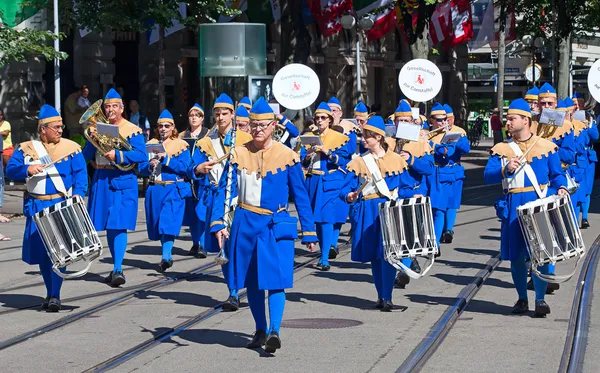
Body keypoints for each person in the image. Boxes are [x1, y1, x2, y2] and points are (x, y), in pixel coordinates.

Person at [211, 98, 317, 352]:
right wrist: (219, 223)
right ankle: (260, 329)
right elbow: (224, 191)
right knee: (253, 280)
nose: (258, 129)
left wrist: (309, 231)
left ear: (273, 126)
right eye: (254, 125)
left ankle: (275, 331)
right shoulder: (237, 153)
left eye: (263, 125)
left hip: (275, 223)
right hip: (245, 222)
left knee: (276, 280)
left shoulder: (288, 156)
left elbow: (301, 197)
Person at [483, 98, 568, 317]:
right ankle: (522, 298)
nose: (507, 123)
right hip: (513, 206)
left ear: (526, 120)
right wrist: (505, 170)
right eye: (507, 119)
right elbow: (487, 175)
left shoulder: (546, 146)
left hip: (539, 204)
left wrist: (562, 188)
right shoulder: (501, 149)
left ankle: (540, 300)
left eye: (512, 119)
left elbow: (558, 175)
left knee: (540, 253)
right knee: (518, 257)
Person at [6, 104, 88, 311]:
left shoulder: (71, 148)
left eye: (61, 127)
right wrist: (28, 168)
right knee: (44, 252)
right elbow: (11, 170)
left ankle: (55, 295)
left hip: (60, 203)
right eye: (56, 127)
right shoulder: (26, 148)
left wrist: (78, 193)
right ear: (43, 129)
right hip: (36, 204)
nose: (61, 130)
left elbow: (81, 175)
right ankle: (50, 291)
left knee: (59, 251)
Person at [340, 116, 413, 311]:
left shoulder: (396, 160)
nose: (363, 139)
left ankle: (387, 296)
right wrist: (348, 195)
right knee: (375, 254)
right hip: (368, 210)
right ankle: (381, 296)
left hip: (389, 209)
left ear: (379, 137)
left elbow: (406, 186)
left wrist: (410, 195)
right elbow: (345, 188)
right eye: (363, 135)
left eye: (367, 136)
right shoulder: (359, 162)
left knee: (388, 254)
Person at [188, 93, 252, 311]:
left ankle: (249, 285)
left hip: (242, 198)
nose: (220, 117)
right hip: (216, 198)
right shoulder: (205, 142)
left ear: (233, 114)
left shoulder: (245, 140)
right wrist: (198, 169)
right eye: (217, 114)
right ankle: (233, 292)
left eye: (224, 113)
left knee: (241, 246)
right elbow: (192, 167)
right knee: (222, 245)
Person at [83, 88, 147, 287]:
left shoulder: (132, 129)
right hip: (102, 177)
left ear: (121, 108)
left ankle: (118, 268)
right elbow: (85, 155)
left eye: (114, 107)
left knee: (118, 223)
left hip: (123, 179)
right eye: (107, 106)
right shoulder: (99, 127)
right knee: (109, 225)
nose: (110, 110)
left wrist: (118, 155)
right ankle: (115, 267)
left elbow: (141, 156)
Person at [300, 102, 350, 271]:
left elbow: (343, 161)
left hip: (330, 182)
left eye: (323, 118)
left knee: (326, 218)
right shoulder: (309, 136)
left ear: (330, 120)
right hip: (312, 181)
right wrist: (308, 155)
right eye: (317, 118)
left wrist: (328, 152)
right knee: (317, 220)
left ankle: (324, 258)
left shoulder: (341, 138)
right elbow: (302, 160)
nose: (320, 121)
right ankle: (323, 252)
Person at [139, 110, 192, 272]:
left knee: (167, 222)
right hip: (155, 188)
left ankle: (166, 256)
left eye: (167, 126)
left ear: (173, 127)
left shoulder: (181, 145)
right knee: (158, 225)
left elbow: (186, 168)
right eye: (160, 126)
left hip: (173, 187)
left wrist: (167, 159)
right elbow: (140, 168)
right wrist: (150, 165)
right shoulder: (150, 144)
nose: (163, 129)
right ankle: (166, 253)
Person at [390, 100, 435, 288]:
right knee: (394, 236)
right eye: (400, 121)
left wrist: (411, 159)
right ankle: (406, 264)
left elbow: (429, 169)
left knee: (408, 235)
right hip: (392, 193)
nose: (403, 124)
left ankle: (404, 269)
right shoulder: (387, 141)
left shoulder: (421, 142)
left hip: (412, 194)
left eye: (407, 120)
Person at [428, 103, 470, 249]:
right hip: (434, 174)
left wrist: (453, 138)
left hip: (452, 171)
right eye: (440, 120)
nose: (444, 122)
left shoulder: (456, 132)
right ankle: (435, 241)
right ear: (431, 120)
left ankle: (447, 231)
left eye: (446, 119)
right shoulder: (426, 134)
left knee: (451, 204)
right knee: (437, 209)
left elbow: (462, 150)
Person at [327, 97, 356, 259]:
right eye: (329, 110)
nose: (332, 113)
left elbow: (350, 148)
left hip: (342, 173)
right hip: (324, 174)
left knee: (338, 210)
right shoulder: (319, 127)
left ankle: (332, 243)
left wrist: (333, 153)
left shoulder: (349, 129)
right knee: (324, 211)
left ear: (340, 112)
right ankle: (327, 242)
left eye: (335, 110)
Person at [180, 103, 209, 257]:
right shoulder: (181, 135)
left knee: (201, 210)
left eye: (196, 116)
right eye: (191, 115)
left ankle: (203, 244)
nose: (193, 118)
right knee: (190, 211)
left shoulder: (209, 134)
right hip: (186, 177)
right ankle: (195, 242)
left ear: (202, 118)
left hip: (202, 177)